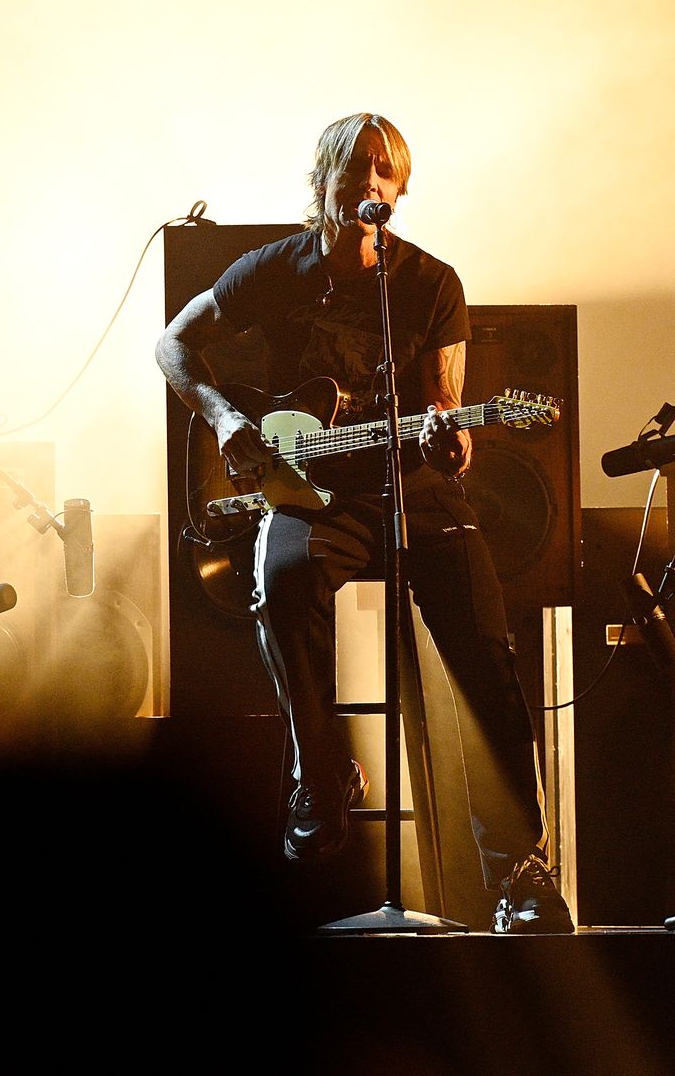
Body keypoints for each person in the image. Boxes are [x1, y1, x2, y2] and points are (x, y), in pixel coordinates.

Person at [155, 112, 572, 934]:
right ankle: (321, 774)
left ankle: (518, 869)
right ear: (325, 181)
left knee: (487, 653)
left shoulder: (430, 283)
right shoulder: (270, 271)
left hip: (415, 492)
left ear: (400, 189)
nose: (371, 184)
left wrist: (452, 441)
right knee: (281, 587)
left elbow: (446, 407)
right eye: (357, 169)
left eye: (386, 172)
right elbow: (174, 345)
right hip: (312, 489)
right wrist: (225, 419)